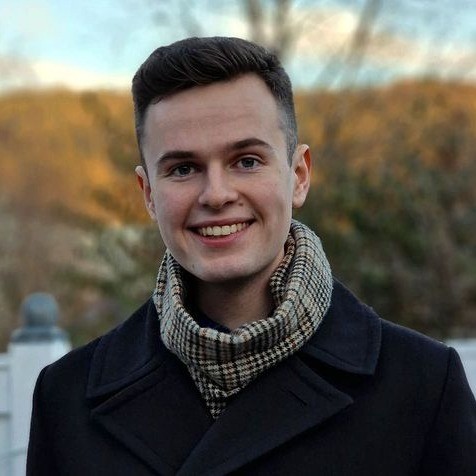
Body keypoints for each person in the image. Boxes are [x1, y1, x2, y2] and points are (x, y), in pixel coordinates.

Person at [27, 36, 476, 475]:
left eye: (246, 161)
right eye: (183, 169)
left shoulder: (422, 386)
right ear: (148, 194)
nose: (216, 194)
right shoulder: (66, 399)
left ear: (298, 175)